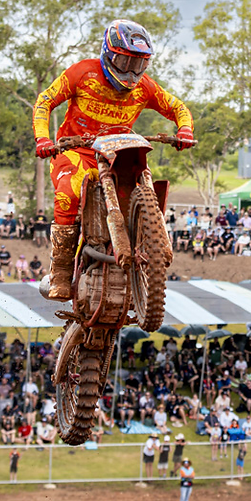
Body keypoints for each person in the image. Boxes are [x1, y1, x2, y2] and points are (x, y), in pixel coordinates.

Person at [32, 20, 195, 301]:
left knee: (143, 178)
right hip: (78, 151)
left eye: (139, 65)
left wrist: (184, 129)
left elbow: (178, 106)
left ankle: (155, 246)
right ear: (108, 54)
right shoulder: (82, 73)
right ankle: (60, 270)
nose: (132, 72)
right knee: (68, 194)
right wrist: (43, 139)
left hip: (119, 152)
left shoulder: (144, 87)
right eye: (126, 61)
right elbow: (45, 100)